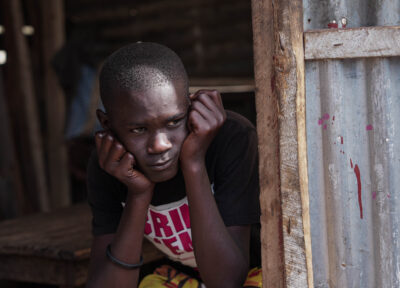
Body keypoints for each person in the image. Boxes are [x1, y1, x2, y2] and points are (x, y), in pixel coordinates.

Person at [86, 42, 261, 288]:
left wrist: (194, 163)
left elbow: (228, 282)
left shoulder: (230, 139)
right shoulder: (109, 165)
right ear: (107, 124)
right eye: (138, 129)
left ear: (190, 109)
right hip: (188, 279)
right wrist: (138, 194)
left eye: (174, 122)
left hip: (261, 272)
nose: (160, 145)